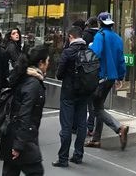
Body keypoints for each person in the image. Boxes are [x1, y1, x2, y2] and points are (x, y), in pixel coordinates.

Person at [0, 46, 50, 176]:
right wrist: (19, 145)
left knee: (11, 171)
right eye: (47, 61)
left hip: (14, 134)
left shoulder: (24, 77)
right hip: (23, 137)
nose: (48, 64)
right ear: (41, 63)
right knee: (35, 172)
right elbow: (24, 114)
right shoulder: (33, 83)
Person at [84, 12, 130, 150]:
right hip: (111, 78)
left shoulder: (100, 36)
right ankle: (96, 139)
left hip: (100, 77)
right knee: (100, 106)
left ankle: (119, 127)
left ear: (100, 23)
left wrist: (90, 47)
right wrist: (120, 77)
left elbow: (94, 54)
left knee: (96, 108)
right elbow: (121, 60)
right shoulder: (117, 38)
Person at [53, 26, 89, 167]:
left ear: (70, 37)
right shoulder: (89, 51)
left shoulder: (68, 52)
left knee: (66, 125)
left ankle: (63, 158)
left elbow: (59, 74)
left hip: (69, 92)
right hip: (84, 92)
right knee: (82, 123)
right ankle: (78, 155)